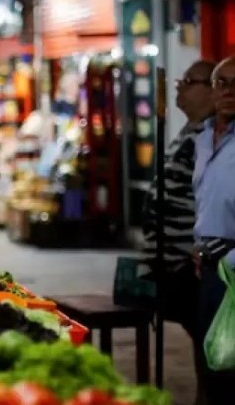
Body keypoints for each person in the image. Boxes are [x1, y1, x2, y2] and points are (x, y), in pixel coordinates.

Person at [140, 60, 215, 405]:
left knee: (210, 344)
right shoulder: (192, 130)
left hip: (191, 262)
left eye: (189, 81)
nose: (179, 87)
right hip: (171, 262)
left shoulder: (213, 135)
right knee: (200, 341)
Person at [192, 54, 235, 405]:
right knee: (211, 362)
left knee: (231, 368)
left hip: (233, 267)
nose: (229, 91)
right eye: (222, 83)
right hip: (207, 269)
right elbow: (206, 199)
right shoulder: (205, 137)